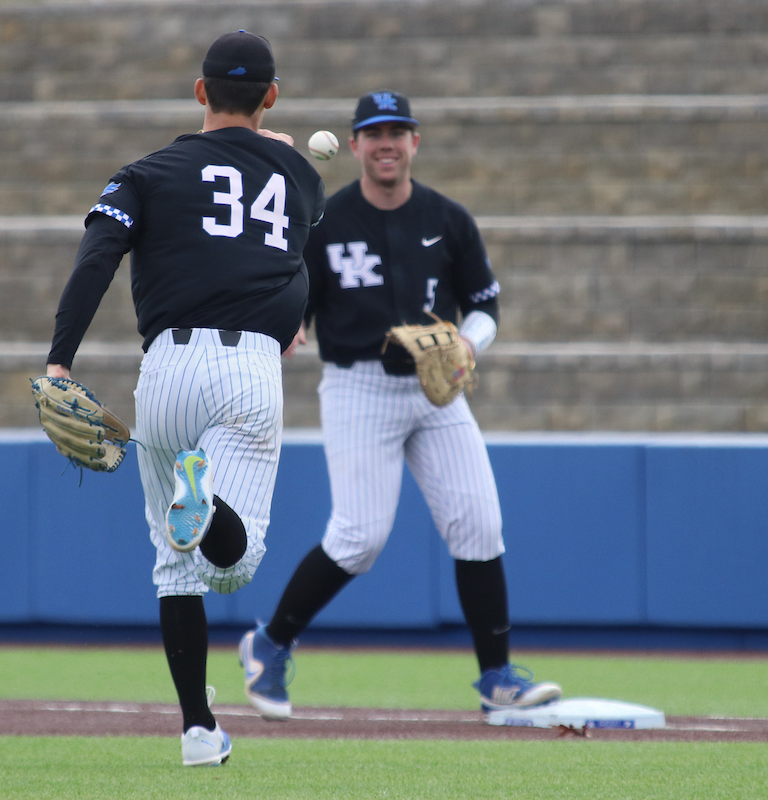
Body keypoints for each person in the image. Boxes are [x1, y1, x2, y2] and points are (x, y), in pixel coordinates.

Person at [45, 31, 325, 766]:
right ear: (271, 97)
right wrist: (281, 150)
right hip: (248, 369)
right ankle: (203, 503)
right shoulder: (300, 175)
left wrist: (60, 360)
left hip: (164, 371)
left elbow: (96, 258)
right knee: (233, 565)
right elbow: (294, 250)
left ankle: (199, 730)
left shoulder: (145, 172)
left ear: (200, 91)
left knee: (173, 568)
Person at [238, 90, 561, 724]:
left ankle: (497, 679)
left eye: (397, 132)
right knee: (359, 538)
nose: (386, 143)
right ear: (355, 144)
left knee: (479, 523)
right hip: (358, 386)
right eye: (374, 133)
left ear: (415, 141)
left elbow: (486, 305)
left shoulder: (448, 217)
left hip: (436, 389)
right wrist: (287, 327)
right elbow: (295, 300)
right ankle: (269, 643)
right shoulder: (325, 219)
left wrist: (470, 342)